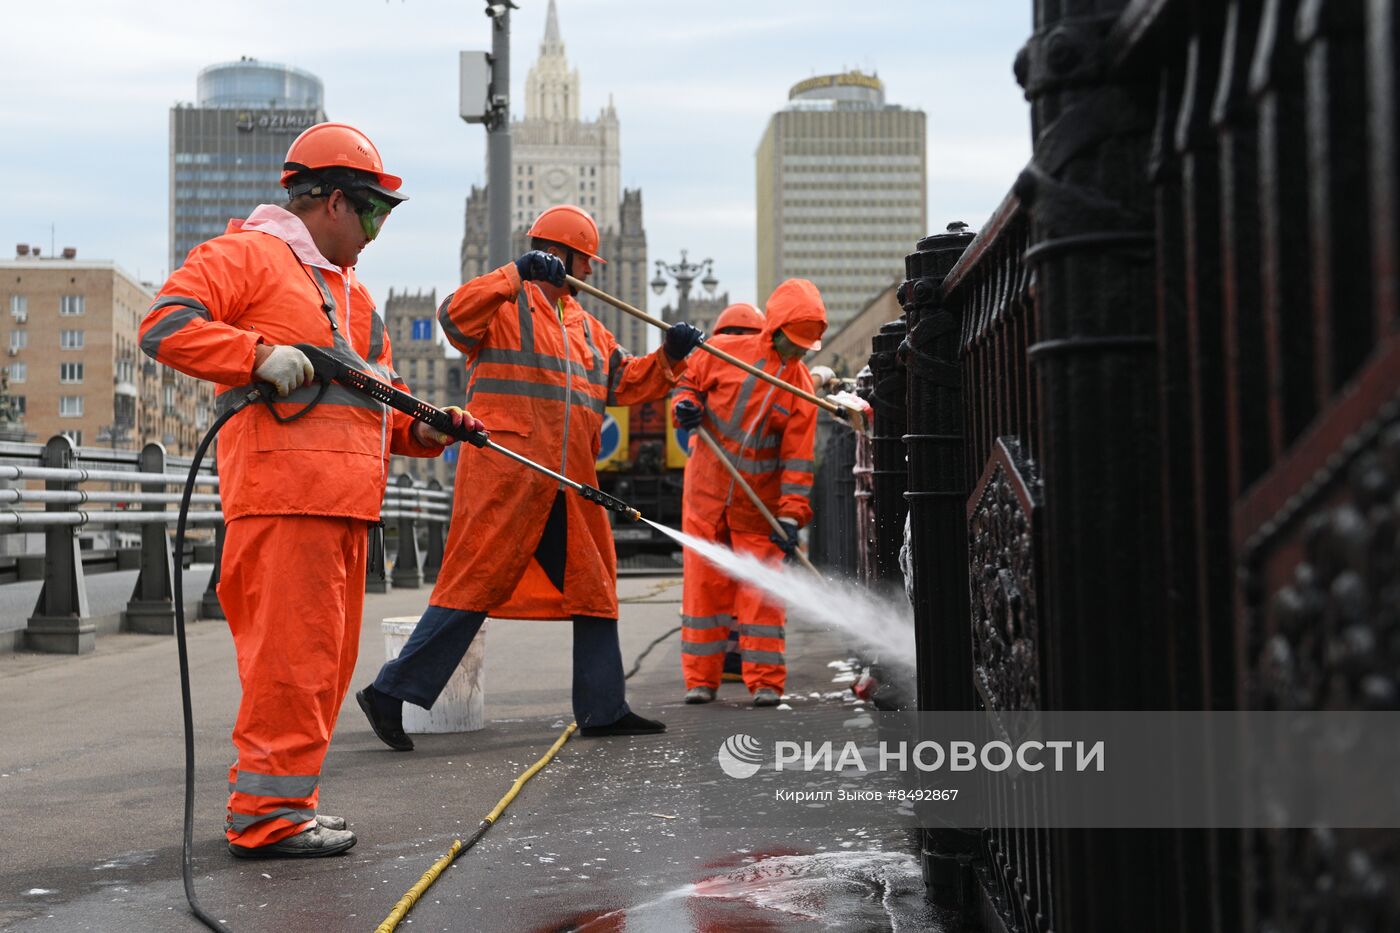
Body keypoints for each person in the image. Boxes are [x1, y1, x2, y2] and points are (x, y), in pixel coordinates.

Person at [140, 122, 480, 860]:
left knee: (322, 667)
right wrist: (257, 355)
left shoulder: (354, 299)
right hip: (284, 499)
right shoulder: (247, 256)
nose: (376, 231)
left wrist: (432, 431)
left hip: (347, 506)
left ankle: (290, 803)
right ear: (330, 201)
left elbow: (376, 410)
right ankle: (264, 818)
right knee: (289, 667)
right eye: (373, 213)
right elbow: (164, 325)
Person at [357, 204, 706, 748]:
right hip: (506, 472)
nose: (590, 273)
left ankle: (603, 708)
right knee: (472, 588)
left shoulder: (587, 329)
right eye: (584, 261)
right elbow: (453, 317)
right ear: (558, 255)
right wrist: (515, 273)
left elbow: (624, 385)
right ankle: (390, 690)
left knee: (596, 588)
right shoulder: (503, 303)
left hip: (568, 480)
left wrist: (669, 357)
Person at [671, 280, 827, 706]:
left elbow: (798, 459)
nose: (796, 353)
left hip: (759, 508)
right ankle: (701, 681)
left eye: (803, 347)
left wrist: (792, 517)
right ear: (773, 328)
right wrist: (685, 406)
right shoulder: (721, 352)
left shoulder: (799, 388)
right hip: (706, 497)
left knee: (761, 599)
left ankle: (766, 684)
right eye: (792, 342)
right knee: (704, 591)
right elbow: (687, 385)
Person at [696, 302, 764, 682]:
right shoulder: (771, 371)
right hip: (747, 498)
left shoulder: (705, 362)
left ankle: (723, 660)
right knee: (747, 581)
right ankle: (743, 659)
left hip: (713, 496)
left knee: (714, 580)